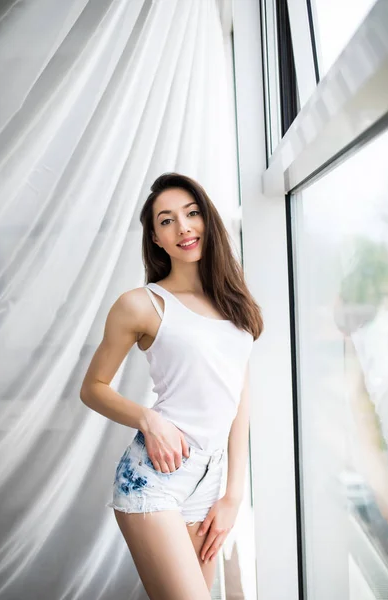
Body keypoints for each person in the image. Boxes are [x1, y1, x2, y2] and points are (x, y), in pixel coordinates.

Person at [80, 172, 263, 599]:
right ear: (155, 238)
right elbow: (93, 387)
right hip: (155, 475)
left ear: (207, 221)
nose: (183, 227)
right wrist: (149, 419)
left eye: (192, 213)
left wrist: (233, 494)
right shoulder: (141, 304)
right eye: (166, 220)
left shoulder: (233, 302)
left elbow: (240, 399)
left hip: (210, 478)